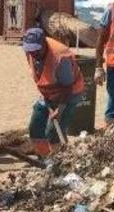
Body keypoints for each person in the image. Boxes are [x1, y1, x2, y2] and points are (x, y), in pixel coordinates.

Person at [22, 28, 85, 157]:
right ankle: (44, 158)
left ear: (44, 43)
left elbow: (67, 88)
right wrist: (48, 99)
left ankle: (60, 159)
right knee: (36, 125)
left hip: (70, 94)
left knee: (53, 132)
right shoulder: (30, 52)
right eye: (30, 50)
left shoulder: (60, 57)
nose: (33, 53)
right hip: (48, 94)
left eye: (36, 50)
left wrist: (59, 109)